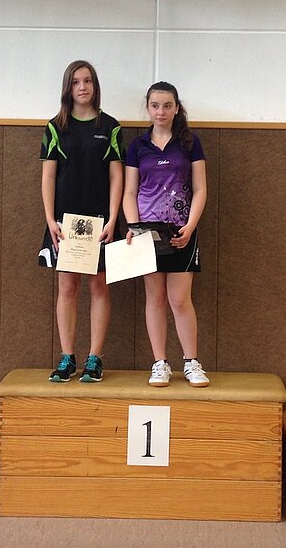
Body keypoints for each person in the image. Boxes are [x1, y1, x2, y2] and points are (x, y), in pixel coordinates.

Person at [40, 60, 124, 383]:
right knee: (67, 287)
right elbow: (48, 176)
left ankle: (94, 358)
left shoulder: (110, 126)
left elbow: (116, 176)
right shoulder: (55, 127)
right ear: (68, 88)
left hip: (100, 221)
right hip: (65, 222)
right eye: (76, 82)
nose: (82, 87)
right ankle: (67, 358)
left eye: (87, 81)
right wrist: (50, 219)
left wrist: (113, 218)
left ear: (95, 86)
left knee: (98, 286)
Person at [123, 82, 209, 387]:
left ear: (176, 108)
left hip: (182, 230)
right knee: (155, 298)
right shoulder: (137, 146)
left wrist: (191, 225)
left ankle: (191, 362)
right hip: (148, 233)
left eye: (167, 105)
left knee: (180, 299)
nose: (161, 111)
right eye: (155, 105)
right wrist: (134, 227)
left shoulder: (190, 143)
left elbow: (200, 189)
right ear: (148, 108)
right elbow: (129, 191)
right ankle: (160, 363)